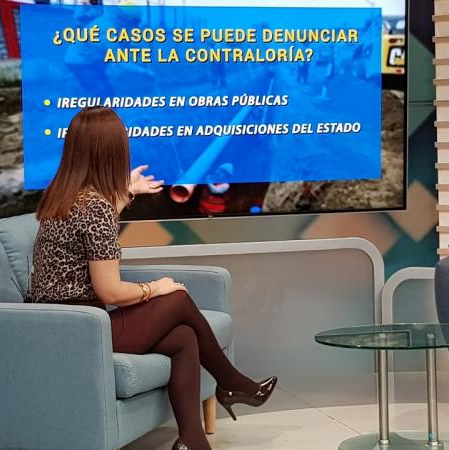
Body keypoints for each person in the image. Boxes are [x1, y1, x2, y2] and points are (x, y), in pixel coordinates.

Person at [29, 107, 277, 450]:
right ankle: (231, 382)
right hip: (82, 331)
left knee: (183, 337)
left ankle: (193, 441)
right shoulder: (94, 208)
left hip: (59, 326)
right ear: (113, 152)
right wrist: (153, 288)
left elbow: (93, 229)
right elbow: (110, 290)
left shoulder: (63, 193)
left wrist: (126, 192)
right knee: (175, 298)